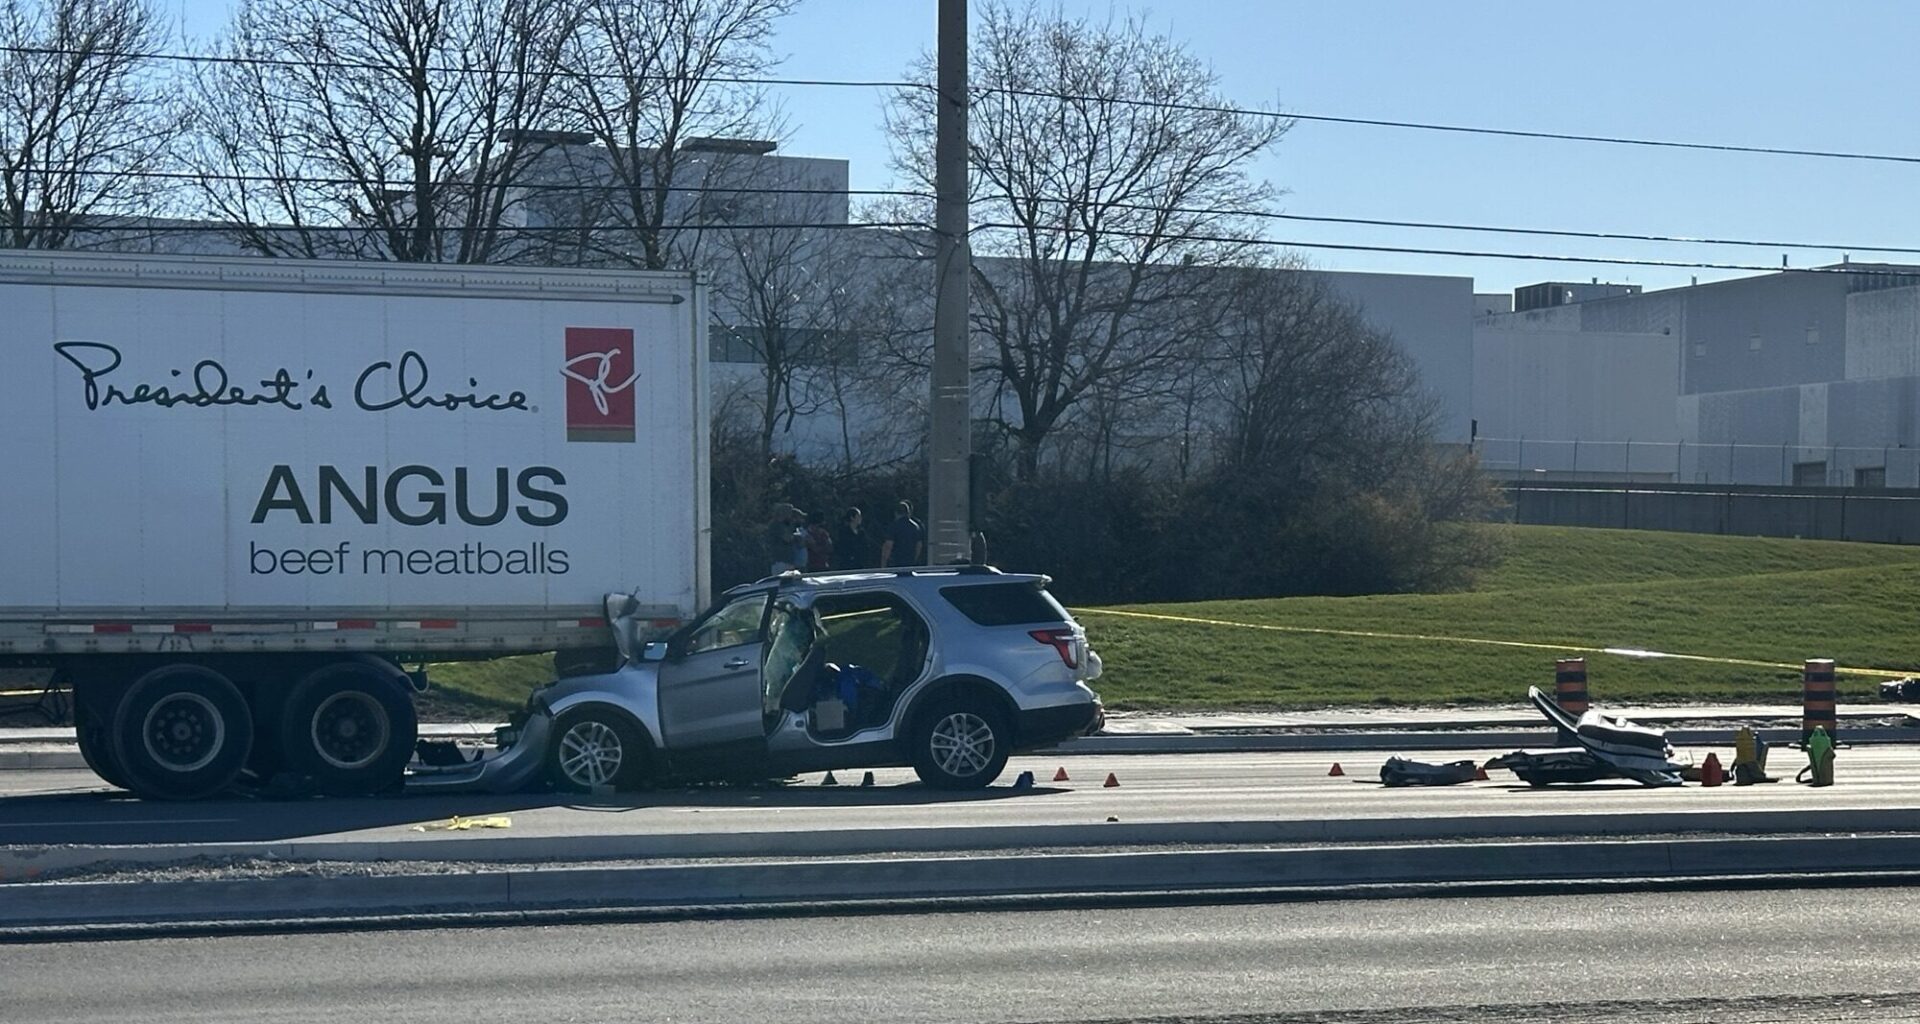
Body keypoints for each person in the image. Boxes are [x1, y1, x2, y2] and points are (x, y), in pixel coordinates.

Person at [879, 500, 925, 568]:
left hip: (896, 562)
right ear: (908, 512)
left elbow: (888, 546)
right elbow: (919, 546)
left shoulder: (894, 526)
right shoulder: (916, 527)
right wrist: (914, 559)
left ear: (896, 513)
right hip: (910, 563)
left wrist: (884, 563)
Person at [767, 504, 805, 575]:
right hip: (780, 561)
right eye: (789, 513)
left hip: (789, 560)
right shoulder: (776, 525)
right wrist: (796, 536)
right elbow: (787, 538)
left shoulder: (785, 525)